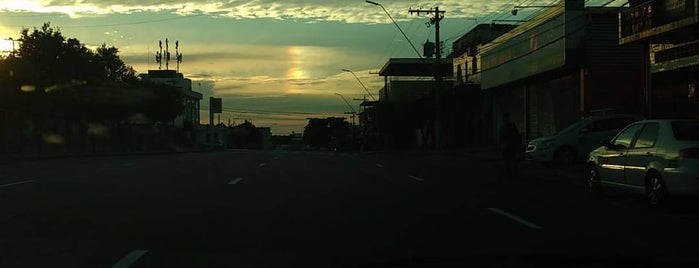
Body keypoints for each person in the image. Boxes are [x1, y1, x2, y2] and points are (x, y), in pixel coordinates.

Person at [499, 112, 522, 179]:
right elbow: (517, 134)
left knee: (507, 160)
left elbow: (501, 137)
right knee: (513, 159)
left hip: (506, 144)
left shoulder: (503, 126)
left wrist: (501, 144)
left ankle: (510, 174)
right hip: (512, 144)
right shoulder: (511, 125)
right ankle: (515, 173)